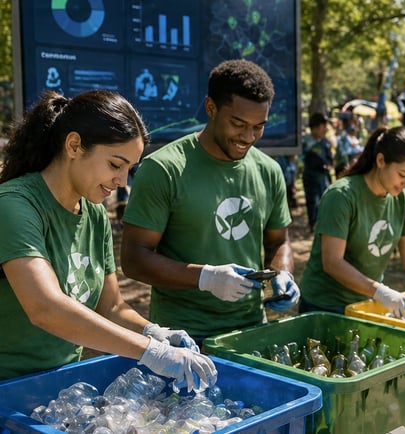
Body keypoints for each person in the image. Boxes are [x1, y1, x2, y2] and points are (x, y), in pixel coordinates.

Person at [0, 90, 215, 390]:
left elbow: (111, 306)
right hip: (9, 388)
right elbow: (45, 307)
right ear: (74, 145)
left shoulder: (94, 214)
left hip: (59, 386)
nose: (122, 181)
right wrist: (150, 351)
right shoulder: (15, 206)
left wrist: (153, 331)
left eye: (130, 169)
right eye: (115, 165)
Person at [121, 60, 300, 342]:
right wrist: (205, 278)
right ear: (211, 108)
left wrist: (284, 274)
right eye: (238, 124)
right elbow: (133, 259)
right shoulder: (164, 169)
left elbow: (278, 241)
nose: (248, 137)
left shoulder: (268, 170)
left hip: (251, 328)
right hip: (182, 335)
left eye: (259, 127)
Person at [299, 126, 405, 316]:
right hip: (324, 305)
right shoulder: (342, 196)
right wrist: (379, 291)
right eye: (403, 175)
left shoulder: (402, 197)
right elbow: (332, 262)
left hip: (365, 303)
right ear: (380, 160)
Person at [302, 112, 334, 230]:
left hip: (323, 176)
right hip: (310, 175)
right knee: (312, 201)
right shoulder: (305, 141)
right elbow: (301, 157)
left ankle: (323, 223)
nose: (325, 130)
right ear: (314, 127)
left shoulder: (325, 142)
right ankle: (313, 223)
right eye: (322, 127)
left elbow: (330, 159)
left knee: (324, 200)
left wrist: (329, 165)